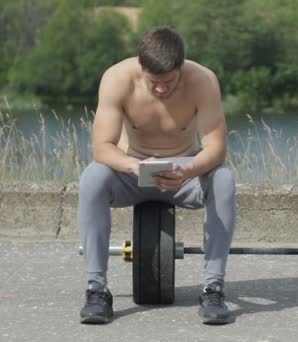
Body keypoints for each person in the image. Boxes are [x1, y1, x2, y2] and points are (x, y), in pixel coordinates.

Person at [78, 27, 236, 325]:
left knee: (224, 179)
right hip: (132, 170)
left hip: (184, 174)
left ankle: (213, 289)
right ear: (141, 66)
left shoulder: (203, 80)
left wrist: (187, 170)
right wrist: (133, 166)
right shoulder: (117, 79)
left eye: (169, 81)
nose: (162, 89)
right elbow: (102, 148)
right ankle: (96, 290)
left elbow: (216, 150)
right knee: (92, 177)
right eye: (154, 83)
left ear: (181, 67)